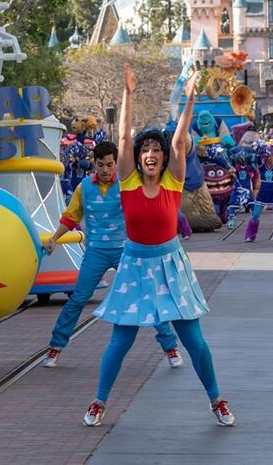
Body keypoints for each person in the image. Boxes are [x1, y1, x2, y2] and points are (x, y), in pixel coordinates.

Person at [83, 64, 234, 429]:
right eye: (145, 149)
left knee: (194, 342)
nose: (150, 153)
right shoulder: (129, 182)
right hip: (135, 266)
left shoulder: (173, 182)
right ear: (138, 158)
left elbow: (181, 137)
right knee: (120, 342)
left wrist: (191, 96)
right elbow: (122, 139)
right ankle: (99, 401)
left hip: (170, 265)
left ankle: (217, 400)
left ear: (164, 158)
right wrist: (128, 95)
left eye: (156, 149)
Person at [40, 139, 182, 370]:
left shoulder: (128, 185)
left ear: (116, 163)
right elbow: (70, 217)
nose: (105, 170)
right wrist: (54, 238)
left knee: (147, 294)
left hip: (126, 250)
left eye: (109, 165)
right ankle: (56, 346)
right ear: (93, 164)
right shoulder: (83, 187)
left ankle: (170, 347)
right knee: (78, 298)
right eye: (100, 165)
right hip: (96, 251)